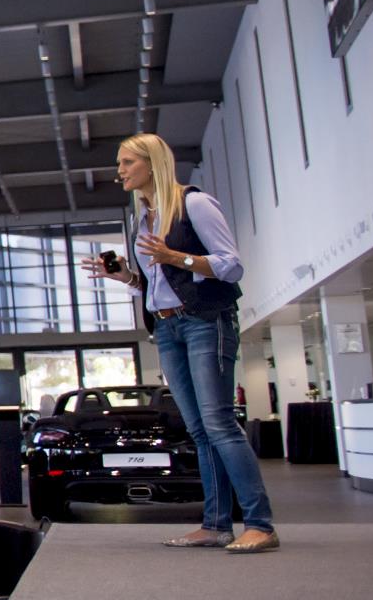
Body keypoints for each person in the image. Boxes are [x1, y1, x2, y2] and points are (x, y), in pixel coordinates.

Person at [88, 131, 275, 553]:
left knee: (220, 424)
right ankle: (215, 524)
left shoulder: (194, 203)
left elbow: (231, 266)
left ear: (152, 163)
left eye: (126, 163)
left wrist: (177, 256)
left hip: (206, 321)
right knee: (199, 430)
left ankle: (260, 523)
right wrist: (125, 278)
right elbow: (158, 285)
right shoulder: (145, 219)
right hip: (168, 327)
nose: (119, 171)